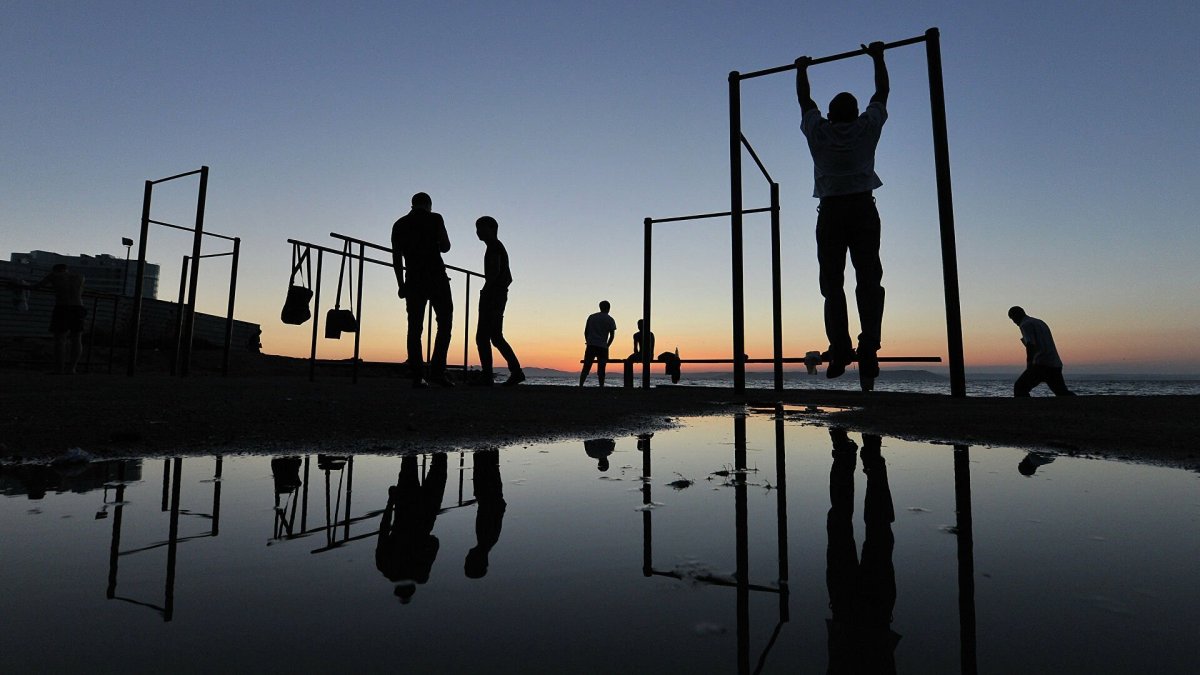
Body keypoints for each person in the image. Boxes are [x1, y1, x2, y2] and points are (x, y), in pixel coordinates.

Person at [796, 42, 890, 386]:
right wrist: (878, 58)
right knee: (869, 280)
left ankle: (840, 347)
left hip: (833, 212)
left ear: (832, 115)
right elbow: (882, 92)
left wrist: (802, 69)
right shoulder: (867, 128)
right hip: (863, 209)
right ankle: (867, 346)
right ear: (856, 113)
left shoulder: (819, 132)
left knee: (832, 285)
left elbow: (806, 102)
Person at [825, 428, 900, 672]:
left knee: (846, 528)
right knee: (861, 530)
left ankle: (858, 453)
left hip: (857, 621)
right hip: (866, 622)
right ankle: (864, 453)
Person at [392, 192, 454, 388]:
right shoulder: (435, 218)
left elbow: (396, 258)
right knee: (444, 323)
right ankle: (437, 372)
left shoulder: (399, 224)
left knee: (414, 328)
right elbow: (445, 247)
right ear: (429, 205)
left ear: (412, 205)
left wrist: (401, 285)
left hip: (413, 279)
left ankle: (417, 374)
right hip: (436, 277)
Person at [376, 453, 448, 603]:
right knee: (409, 460)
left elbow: (434, 543)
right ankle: (415, 431)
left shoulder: (420, 574)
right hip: (404, 510)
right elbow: (384, 529)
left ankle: (433, 432)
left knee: (438, 464)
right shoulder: (385, 567)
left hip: (426, 517)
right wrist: (391, 501)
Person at [472, 216, 525, 386]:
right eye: (477, 228)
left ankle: (490, 375)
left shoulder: (494, 247)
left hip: (494, 295)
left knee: (483, 337)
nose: (478, 232)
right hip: (497, 294)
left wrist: (488, 290)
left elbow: (496, 274)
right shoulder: (494, 247)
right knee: (495, 336)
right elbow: (507, 277)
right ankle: (515, 372)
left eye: (481, 228)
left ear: (492, 228)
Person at [1007, 306, 1075, 397]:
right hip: (1054, 363)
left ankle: (1025, 410)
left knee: (1020, 387)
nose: (1014, 322)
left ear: (1016, 316)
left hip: (1041, 364)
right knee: (1061, 392)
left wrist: (1029, 365)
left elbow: (1030, 346)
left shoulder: (1025, 325)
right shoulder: (1040, 322)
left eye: (1013, 319)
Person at [31, 263, 86, 374]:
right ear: (66, 269)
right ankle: (72, 368)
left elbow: (37, 286)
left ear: (55, 270)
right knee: (77, 339)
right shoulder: (79, 277)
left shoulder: (54, 276)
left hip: (63, 307)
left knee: (60, 339)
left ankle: (59, 369)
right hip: (78, 307)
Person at [464, 449, 506, 579]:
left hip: (489, 496)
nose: (466, 557)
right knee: (486, 466)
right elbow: (491, 512)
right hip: (488, 495)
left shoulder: (487, 540)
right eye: (468, 561)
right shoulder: (487, 539)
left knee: (488, 465)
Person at [579, 300, 616, 386]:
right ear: (609, 308)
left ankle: (581, 384)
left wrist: (588, 341)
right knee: (602, 368)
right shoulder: (610, 319)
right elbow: (612, 335)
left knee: (586, 366)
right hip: (603, 346)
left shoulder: (592, 317)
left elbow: (586, 331)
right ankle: (601, 385)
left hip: (591, 345)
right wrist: (607, 345)